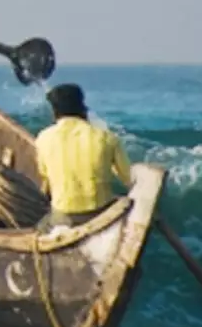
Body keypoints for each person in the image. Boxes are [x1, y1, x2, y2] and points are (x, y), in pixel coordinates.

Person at [34, 84, 133, 228]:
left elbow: (45, 175)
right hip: (101, 213)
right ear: (83, 107)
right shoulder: (107, 137)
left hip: (65, 216)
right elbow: (128, 179)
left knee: (40, 227)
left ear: (54, 112)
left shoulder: (43, 138)